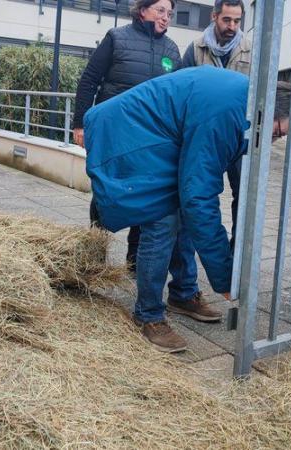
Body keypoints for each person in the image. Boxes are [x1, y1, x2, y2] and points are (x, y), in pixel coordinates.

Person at [84, 66, 291, 352]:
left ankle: (183, 294)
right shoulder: (226, 113)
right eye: (278, 132)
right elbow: (199, 197)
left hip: (161, 137)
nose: (275, 140)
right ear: (270, 111)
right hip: (128, 132)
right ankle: (149, 314)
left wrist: (238, 256)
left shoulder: (247, 109)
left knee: (183, 214)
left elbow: (244, 191)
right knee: (162, 219)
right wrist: (224, 277)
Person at [72, 0, 181, 273]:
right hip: (114, 135)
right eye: (160, 10)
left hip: (150, 139)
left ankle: (134, 261)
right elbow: (89, 81)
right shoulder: (116, 38)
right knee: (105, 191)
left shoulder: (172, 50)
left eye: (169, 13)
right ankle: (95, 254)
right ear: (142, 10)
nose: (166, 17)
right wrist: (79, 125)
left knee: (144, 196)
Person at [183, 0, 251, 250]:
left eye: (237, 20)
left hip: (239, 137)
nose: (232, 26)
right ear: (214, 17)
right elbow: (183, 91)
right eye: (227, 20)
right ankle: (187, 277)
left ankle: (236, 255)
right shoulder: (195, 48)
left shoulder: (251, 50)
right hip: (204, 138)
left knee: (243, 197)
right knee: (196, 196)